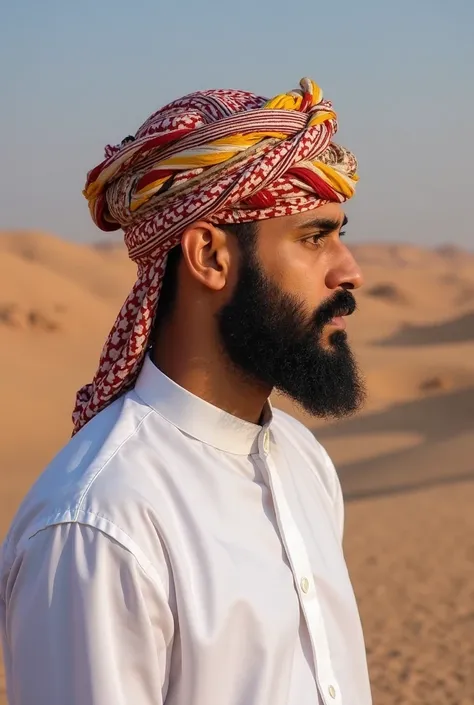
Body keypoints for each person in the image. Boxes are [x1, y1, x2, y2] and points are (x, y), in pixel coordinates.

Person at [0, 77, 372, 705]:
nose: (349, 269)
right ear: (209, 257)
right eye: (314, 238)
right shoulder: (102, 524)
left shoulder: (304, 460)